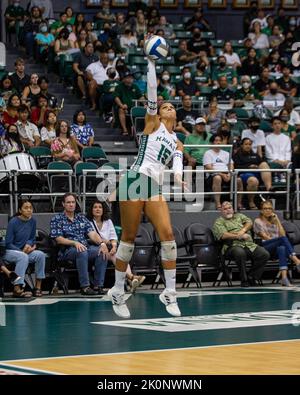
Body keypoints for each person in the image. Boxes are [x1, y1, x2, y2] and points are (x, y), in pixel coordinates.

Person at [107, 55, 186, 319]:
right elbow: (152, 91)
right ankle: (118, 291)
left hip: (153, 186)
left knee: (168, 238)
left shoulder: (177, 140)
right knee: (127, 240)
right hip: (134, 180)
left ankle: (170, 292)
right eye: (165, 106)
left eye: (171, 107)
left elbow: (177, 161)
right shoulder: (152, 124)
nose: (168, 108)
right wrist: (151, 63)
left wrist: (178, 176)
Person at [50, 193, 107, 295]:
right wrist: (74, 243)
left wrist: (102, 243)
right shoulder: (57, 219)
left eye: (73, 202)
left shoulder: (81, 218)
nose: (71, 204)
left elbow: (92, 234)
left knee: (101, 251)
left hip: (84, 247)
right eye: (68, 202)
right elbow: (58, 239)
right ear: (63, 204)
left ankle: (98, 286)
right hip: (67, 250)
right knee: (82, 251)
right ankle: (85, 287)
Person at [86, 200, 145, 294]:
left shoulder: (108, 221)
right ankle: (131, 278)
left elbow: (113, 237)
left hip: (109, 248)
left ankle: (131, 279)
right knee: (114, 256)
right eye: (95, 207)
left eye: (100, 207)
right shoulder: (88, 222)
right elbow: (93, 238)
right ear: (91, 210)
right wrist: (106, 242)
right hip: (96, 248)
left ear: (103, 210)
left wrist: (113, 247)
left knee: (120, 255)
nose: (98, 209)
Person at [213, 201, 269, 287]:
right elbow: (223, 235)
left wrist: (242, 230)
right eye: (225, 209)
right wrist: (239, 236)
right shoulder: (219, 222)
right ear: (221, 211)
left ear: (233, 209)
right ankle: (244, 279)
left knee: (264, 254)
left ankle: (252, 276)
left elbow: (249, 222)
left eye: (229, 208)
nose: (228, 210)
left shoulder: (239, 216)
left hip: (248, 245)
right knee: (240, 252)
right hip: (231, 246)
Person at [3, 200, 46, 297]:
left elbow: (32, 238)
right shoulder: (13, 222)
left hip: (25, 251)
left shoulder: (33, 221)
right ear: (20, 210)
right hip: (10, 252)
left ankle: (37, 287)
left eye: (30, 208)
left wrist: (28, 245)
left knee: (40, 255)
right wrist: (22, 251)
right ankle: (17, 288)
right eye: (26, 208)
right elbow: (8, 243)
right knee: (23, 257)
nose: (29, 210)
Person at [254, 200, 300, 286]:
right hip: (265, 247)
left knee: (281, 248)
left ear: (272, 210)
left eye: (270, 209)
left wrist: (277, 220)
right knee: (282, 240)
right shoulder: (257, 221)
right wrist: (278, 239)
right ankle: (297, 261)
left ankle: (284, 278)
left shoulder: (274, 221)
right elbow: (265, 237)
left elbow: (282, 234)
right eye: (265, 208)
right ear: (261, 210)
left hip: (277, 247)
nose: (268, 210)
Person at [203, 134, 243, 210]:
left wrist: (229, 174)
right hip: (213, 175)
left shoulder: (226, 153)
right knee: (217, 178)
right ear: (212, 143)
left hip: (226, 174)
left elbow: (231, 165)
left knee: (238, 180)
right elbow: (208, 167)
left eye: (220, 141)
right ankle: (218, 203)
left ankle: (238, 203)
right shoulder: (208, 153)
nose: (218, 142)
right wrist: (221, 174)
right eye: (216, 140)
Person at [233, 138, 272, 209]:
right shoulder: (237, 156)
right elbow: (236, 167)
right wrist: (248, 167)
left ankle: (269, 188)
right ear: (241, 145)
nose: (248, 146)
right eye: (246, 144)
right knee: (253, 180)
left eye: (250, 144)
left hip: (257, 173)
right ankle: (251, 201)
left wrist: (256, 166)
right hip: (244, 174)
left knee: (264, 164)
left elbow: (261, 164)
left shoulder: (255, 155)